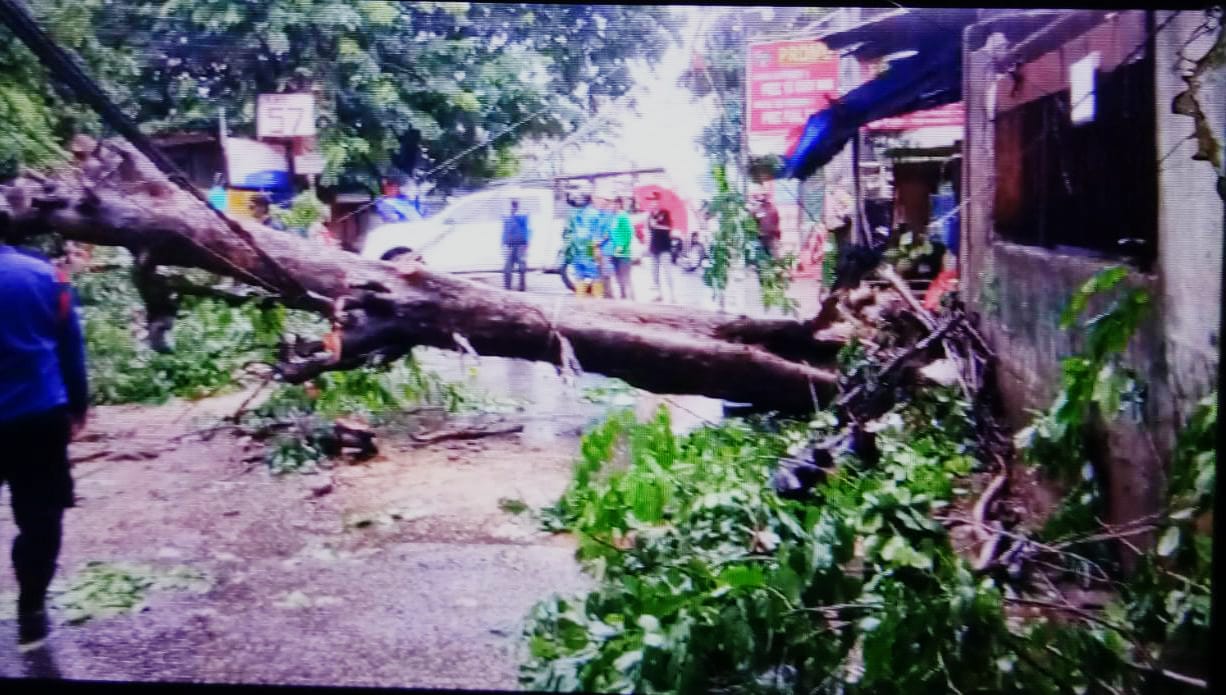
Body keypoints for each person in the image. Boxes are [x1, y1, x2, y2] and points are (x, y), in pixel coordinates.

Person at [0, 221, 89, 651]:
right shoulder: (44, 277)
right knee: (41, 517)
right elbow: (71, 346)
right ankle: (31, 612)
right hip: (38, 416)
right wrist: (78, 406)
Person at [645, 192, 675, 303]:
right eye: (651, 201)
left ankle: (672, 295)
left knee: (667, 271)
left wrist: (656, 225)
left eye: (654, 200)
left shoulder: (665, 213)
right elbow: (649, 231)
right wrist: (648, 245)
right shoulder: (650, 215)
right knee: (654, 273)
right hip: (654, 247)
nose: (652, 203)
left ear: (658, 201)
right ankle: (659, 294)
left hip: (664, 247)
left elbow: (668, 227)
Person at [609, 197, 635, 300]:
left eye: (615, 204)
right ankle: (623, 297)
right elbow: (612, 233)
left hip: (623, 252)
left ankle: (633, 300)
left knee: (626, 277)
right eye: (612, 203)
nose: (613, 206)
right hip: (614, 251)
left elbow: (629, 232)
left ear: (620, 204)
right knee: (618, 277)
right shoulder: (613, 217)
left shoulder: (623, 216)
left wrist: (622, 245)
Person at [502, 199, 531, 292]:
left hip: (510, 243)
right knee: (521, 265)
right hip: (521, 243)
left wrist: (503, 242)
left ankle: (508, 286)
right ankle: (521, 286)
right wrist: (528, 242)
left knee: (508, 265)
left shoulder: (507, 215)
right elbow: (527, 228)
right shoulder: (524, 214)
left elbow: (505, 229)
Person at [752, 193, 782, 260]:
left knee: (775, 254)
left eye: (765, 195)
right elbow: (753, 220)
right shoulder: (756, 209)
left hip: (773, 236)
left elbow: (776, 220)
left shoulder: (773, 209)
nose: (764, 197)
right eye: (762, 195)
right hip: (761, 236)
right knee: (763, 255)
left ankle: (777, 267)